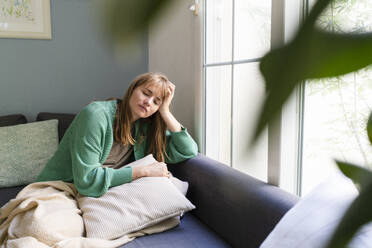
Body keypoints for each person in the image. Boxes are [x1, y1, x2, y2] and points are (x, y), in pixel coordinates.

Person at [36, 72, 198, 197]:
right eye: (146, 93)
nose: (149, 102)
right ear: (132, 89)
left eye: (156, 102)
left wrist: (166, 111)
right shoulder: (95, 115)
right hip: (59, 188)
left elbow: (188, 150)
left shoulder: (145, 129)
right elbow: (87, 181)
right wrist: (144, 171)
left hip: (99, 193)